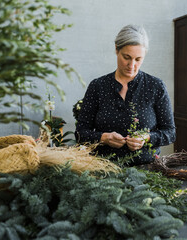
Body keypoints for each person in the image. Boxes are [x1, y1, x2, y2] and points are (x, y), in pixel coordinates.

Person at [75, 24, 176, 166]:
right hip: (104, 169)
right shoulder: (97, 86)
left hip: (147, 171)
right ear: (117, 49)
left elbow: (170, 133)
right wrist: (104, 138)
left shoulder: (156, 86)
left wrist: (146, 138)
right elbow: (80, 134)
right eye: (126, 57)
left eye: (138, 59)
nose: (131, 65)